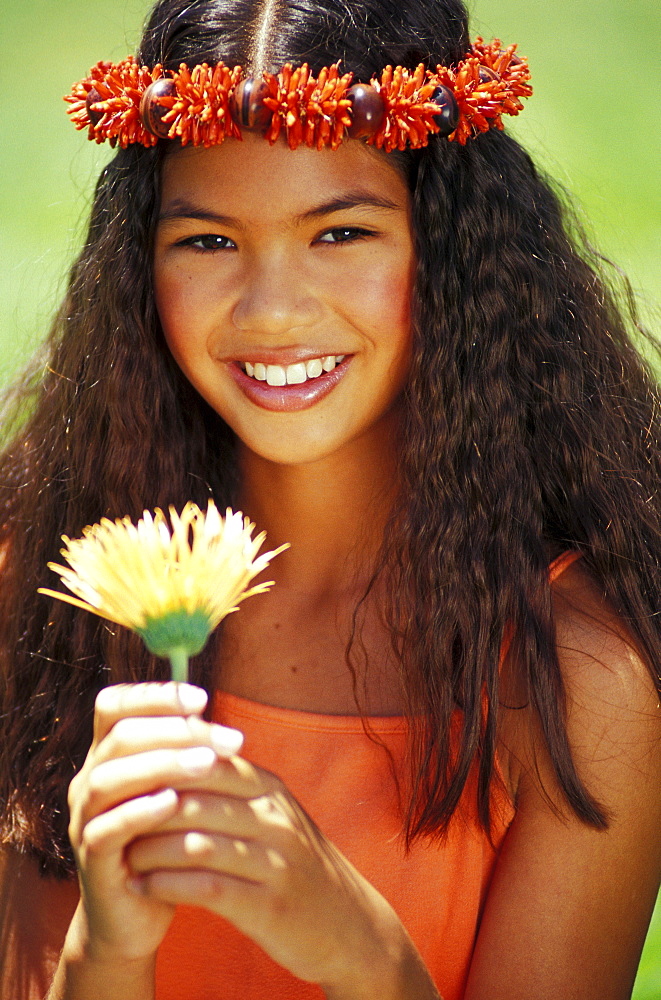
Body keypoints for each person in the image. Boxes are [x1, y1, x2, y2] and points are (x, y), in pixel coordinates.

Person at [1, 0, 660, 997]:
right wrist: (111, 947)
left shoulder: (577, 678)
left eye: (341, 230)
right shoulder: (43, 588)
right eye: (208, 242)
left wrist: (359, 951)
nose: (272, 309)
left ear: (451, 248)